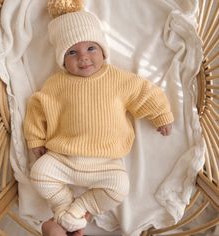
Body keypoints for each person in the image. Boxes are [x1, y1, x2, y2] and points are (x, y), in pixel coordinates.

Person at [23, 1, 174, 235]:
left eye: (91, 49)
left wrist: (160, 113)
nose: (83, 58)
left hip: (106, 162)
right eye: (72, 52)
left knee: (119, 188)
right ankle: (65, 207)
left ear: (103, 50)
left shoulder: (118, 79)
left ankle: (82, 207)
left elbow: (145, 93)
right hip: (63, 157)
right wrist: (35, 139)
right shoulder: (56, 84)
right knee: (39, 173)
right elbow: (37, 109)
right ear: (62, 59)